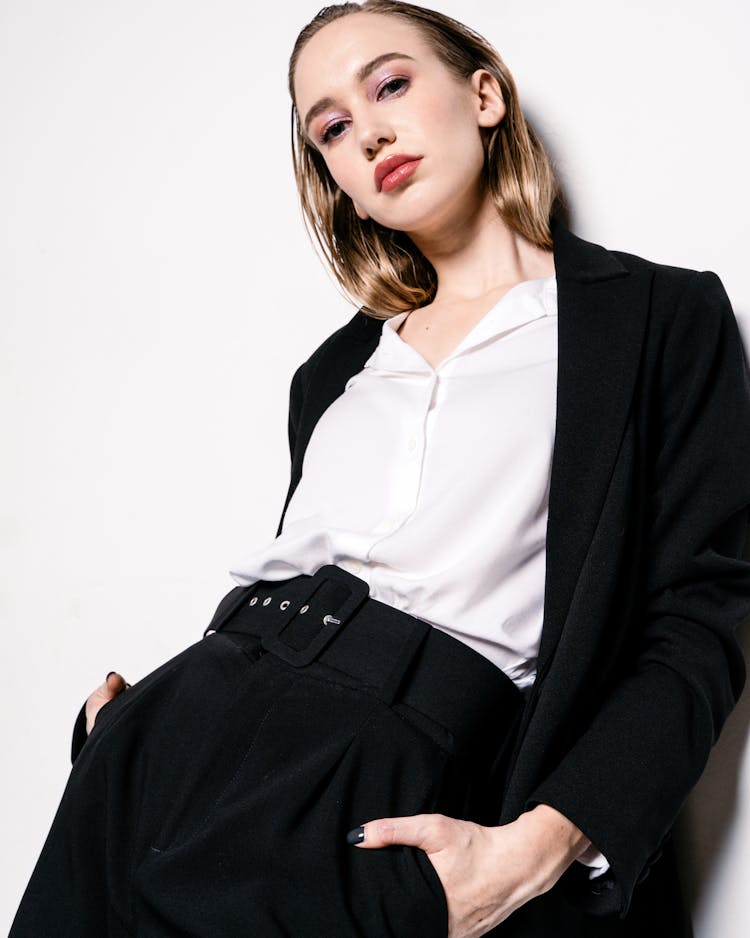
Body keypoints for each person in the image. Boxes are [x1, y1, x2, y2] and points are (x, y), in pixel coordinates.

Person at [10, 2, 750, 936]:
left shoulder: (654, 319)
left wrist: (539, 847)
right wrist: (124, 734)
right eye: (331, 129)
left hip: (389, 773)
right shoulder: (332, 375)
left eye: (390, 85)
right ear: (341, 186)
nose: (368, 133)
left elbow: (692, 626)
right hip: (170, 743)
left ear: (483, 94)